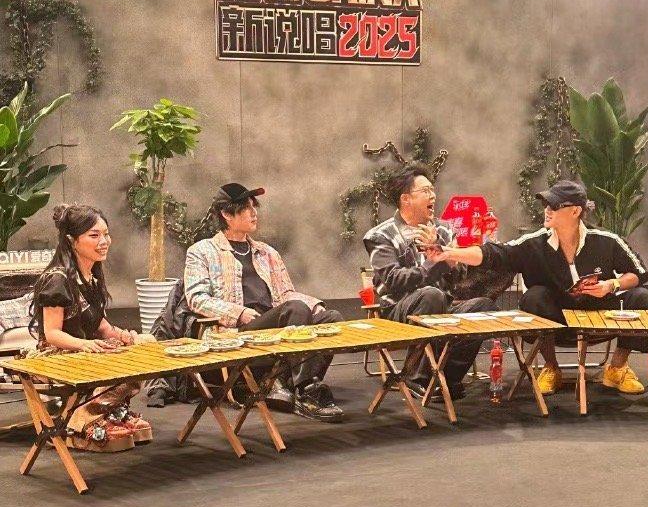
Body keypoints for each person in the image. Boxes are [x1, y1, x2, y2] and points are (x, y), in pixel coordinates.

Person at [427, 179, 648, 395]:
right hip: (556, 317)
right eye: (545, 204)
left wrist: (612, 284)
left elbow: (640, 272)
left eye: (554, 206)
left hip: (600, 313)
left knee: (643, 298)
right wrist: (449, 253)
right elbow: (493, 254)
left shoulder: (606, 240)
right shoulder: (533, 243)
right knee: (534, 297)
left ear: (575, 211)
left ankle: (617, 367)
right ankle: (551, 368)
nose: (547, 210)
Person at [184, 182, 344, 421]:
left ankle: (285, 383)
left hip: (274, 322)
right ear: (226, 214)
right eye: (246, 208)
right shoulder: (202, 251)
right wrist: (238, 313)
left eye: (254, 207)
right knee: (295, 310)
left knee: (331, 319)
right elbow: (197, 298)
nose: (254, 213)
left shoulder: (267, 252)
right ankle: (306, 392)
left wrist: (314, 306)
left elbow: (285, 294)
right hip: (237, 332)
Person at [28, 204, 153, 450]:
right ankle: (80, 423)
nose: (104, 241)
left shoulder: (92, 275)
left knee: (144, 350)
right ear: (71, 240)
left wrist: (125, 336)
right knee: (118, 364)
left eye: (106, 234)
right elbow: (52, 334)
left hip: (84, 348)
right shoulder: (57, 279)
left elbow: (101, 325)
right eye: (94, 235)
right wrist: (85, 345)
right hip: (56, 355)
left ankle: (108, 412)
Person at [362, 166, 494, 397]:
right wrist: (437, 263)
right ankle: (415, 376)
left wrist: (443, 252)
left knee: (482, 307)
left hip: (443, 305)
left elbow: (459, 277)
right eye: (425, 191)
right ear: (406, 199)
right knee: (431, 295)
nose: (433, 196)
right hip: (398, 309)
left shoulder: (444, 230)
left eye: (432, 190)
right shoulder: (380, 236)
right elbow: (393, 280)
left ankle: (446, 378)